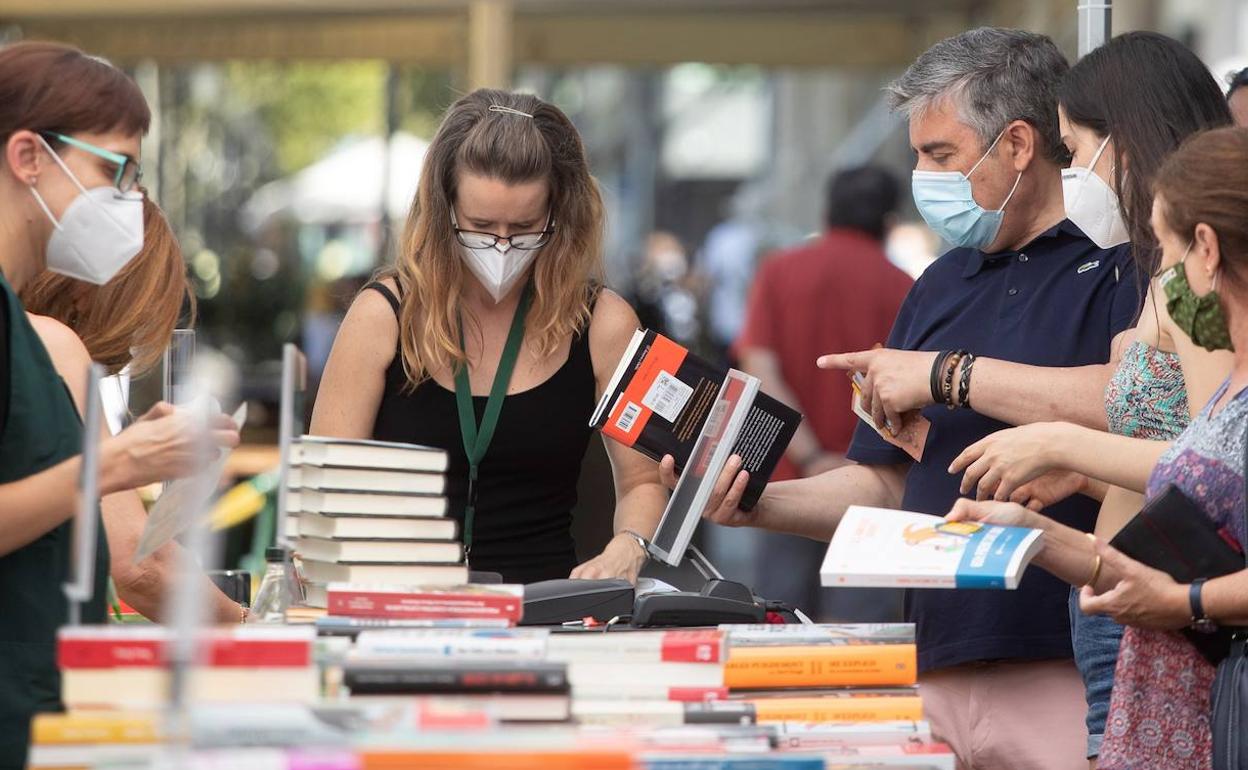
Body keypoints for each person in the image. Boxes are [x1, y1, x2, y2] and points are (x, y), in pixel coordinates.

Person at [668, 28, 1142, 769]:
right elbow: (888, 481)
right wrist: (758, 503)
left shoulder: (1120, 272)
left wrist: (944, 374)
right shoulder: (936, 286)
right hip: (929, 660)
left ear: (1018, 144)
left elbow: (1126, 405)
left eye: (941, 156)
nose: (924, 177)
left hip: (1067, 660)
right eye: (917, 155)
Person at [928, 32, 1234, 765]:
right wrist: (1087, 474)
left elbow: (1216, 465)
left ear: (1124, 143)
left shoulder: (1194, 283)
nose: (1072, 172)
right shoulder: (1165, 273)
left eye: (1076, 147)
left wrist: (1061, 441)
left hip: (1162, 601)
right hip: (1125, 592)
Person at [311, 90, 665, 585]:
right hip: (401, 612)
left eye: (523, 227)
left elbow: (643, 480)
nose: (501, 246)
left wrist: (630, 546)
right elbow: (328, 486)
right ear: (444, 209)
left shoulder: (605, 322)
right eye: (479, 226)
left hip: (548, 612)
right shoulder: (384, 315)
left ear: (560, 215)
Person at [0, 42, 239, 768]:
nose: (128, 200)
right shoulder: (45, 342)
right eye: (114, 170)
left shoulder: (24, 330)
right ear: (27, 156)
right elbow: (136, 562)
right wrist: (115, 464)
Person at [21, 196, 243, 624]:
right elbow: (140, 563)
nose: (129, 347)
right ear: (92, 290)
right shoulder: (54, 344)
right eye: (137, 318)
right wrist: (245, 626)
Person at [734, 165, 911, 619]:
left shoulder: (779, 272)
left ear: (828, 209)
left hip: (785, 481)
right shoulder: (905, 288)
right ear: (889, 220)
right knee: (861, 642)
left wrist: (811, 457)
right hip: (873, 488)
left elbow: (760, 371)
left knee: (780, 627)